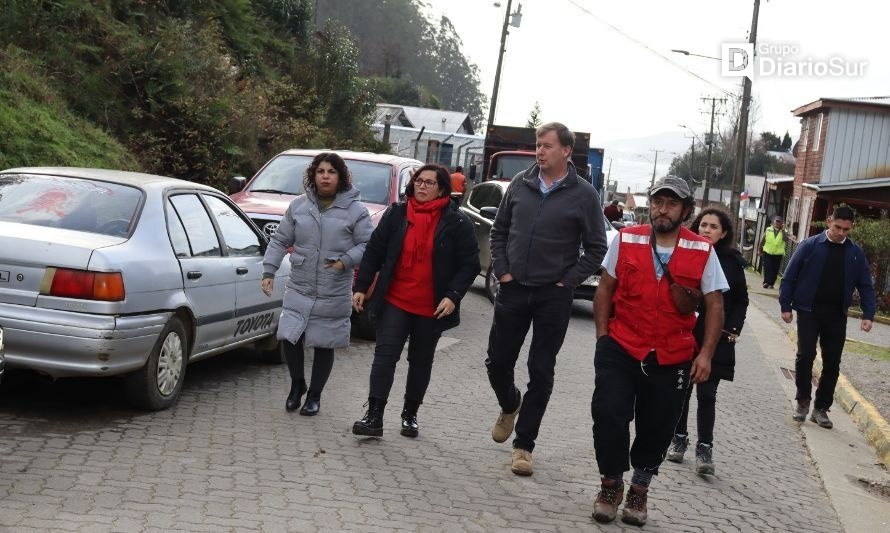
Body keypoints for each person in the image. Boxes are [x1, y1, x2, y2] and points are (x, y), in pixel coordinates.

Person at [590, 175, 727, 526]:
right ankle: (610, 484)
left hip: (672, 355)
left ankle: (639, 490)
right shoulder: (626, 238)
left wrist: (706, 354)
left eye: (671, 204)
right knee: (608, 412)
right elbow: (605, 288)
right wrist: (603, 336)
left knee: (658, 426)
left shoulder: (702, 250)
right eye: (657, 202)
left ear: (685, 210)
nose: (662, 210)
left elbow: (714, 306)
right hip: (621, 346)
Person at [485, 122, 608, 476]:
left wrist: (567, 280)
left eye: (547, 146)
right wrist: (503, 271)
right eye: (538, 145)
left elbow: (597, 246)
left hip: (552, 297)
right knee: (497, 363)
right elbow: (500, 230)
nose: (540, 151)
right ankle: (510, 404)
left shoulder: (583, 194)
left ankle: (524, 445)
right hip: (513, 289)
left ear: (566, 151)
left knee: (541, 370)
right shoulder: (520, 185)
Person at [351, 164, 479, 438]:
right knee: (384, 357)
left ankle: (410, 414)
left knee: (420, 361)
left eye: (429, 183)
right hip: (395, 299)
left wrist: (453, 295)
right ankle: (374, 416)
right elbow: (374, 250)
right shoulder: (397, 214)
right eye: (419, 181)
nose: (422, 186)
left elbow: (469, 265)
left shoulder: (456, 222)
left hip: (431, 306)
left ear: (442, 188)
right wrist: (362, 286)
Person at [261, 152, 373, 415]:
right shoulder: (299, 206)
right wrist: (269, 270)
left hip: (333, 286)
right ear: (313, 175)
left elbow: (368, 245)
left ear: (340, 177)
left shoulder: (356, 210)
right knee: (289, 335)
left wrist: (345, 261)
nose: (325, 176)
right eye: (320, 171)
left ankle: (315, 395)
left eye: (331, 172)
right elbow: (279, 240)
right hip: (300, 283)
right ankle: (297, 384)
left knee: (324, 341)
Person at [667, 206, 749, 475]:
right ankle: (678, 440)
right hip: (685, 333)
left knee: (707, 394)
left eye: (714, 227)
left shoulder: (733, 261)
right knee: (681, 391)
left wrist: (733, 328)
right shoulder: (687, 253)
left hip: (717, 337)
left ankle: (705, 449)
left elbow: (740, 300)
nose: (707, 230)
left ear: (724, 232)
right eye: (703, 225)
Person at [779, 205, 876, 429]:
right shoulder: (809, 246)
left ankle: (821, 408)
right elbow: (789, 277)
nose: (841, 232)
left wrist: (868, 314)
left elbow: (865, 286)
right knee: (806, 355)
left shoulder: (855, 253)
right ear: (829, 221)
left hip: (836, 315)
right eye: (837, 227)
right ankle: (803, 401)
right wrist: (786, 305)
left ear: (851, 228)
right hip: (808, 311)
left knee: (832, 363)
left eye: (846, 229)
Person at [759, 215, 788, 288]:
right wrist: (759, 250)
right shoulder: (768, 229)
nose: (777, 223)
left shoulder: (784, 232)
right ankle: (766, 282)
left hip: (778, 254)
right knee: (767, 267)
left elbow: (786, 239)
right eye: (776, 221)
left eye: (779, 222)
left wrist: (783, 230)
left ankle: (771, 283)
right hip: (768, 252)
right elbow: (762, 240)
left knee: (775, 269)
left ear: (782, 223)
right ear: (773, 222)